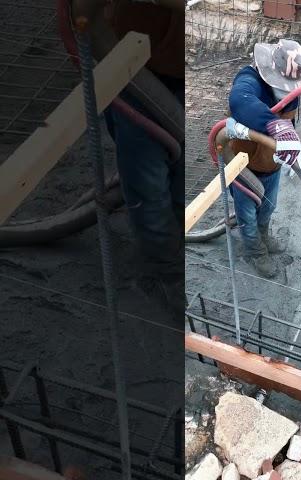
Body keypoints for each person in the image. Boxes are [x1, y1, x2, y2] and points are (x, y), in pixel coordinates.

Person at [101, 0, 185, 320]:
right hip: (136, 66)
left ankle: (174, 241)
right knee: (147, 184)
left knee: (177, 177)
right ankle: (166, 269)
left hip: (180, 62)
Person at [225, 39, 301, 278]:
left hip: (271, 164)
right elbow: (240, 101)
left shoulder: (292, 89)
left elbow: (291, 122)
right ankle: (255, 252)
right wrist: (273, 124)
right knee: (247, 216)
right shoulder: (249, 79)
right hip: (243, 165)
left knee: (268, 208)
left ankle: (264, 238)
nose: (286, 91)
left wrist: (291, 149)